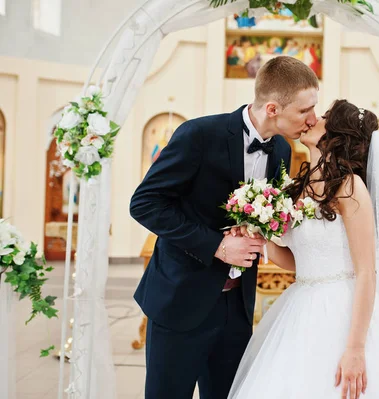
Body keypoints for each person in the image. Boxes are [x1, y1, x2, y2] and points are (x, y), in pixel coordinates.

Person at [129, 56, 319, 399]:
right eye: (305, 110)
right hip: (181, 301)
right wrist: (216, 245)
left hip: (237, 309)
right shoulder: (199, 135)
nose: (313, 119)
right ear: (273, 108)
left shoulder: (281, 148)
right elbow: (145, 203)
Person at [227, 100, 379, 399]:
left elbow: (366, 273)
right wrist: (260, 238)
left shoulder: (349, 188)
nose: (313, 119)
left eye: (323, 117)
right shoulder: (299, 186)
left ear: (337, 134)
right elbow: (300, 262)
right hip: (300, 307)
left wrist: (356, 349)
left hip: (342, 312)